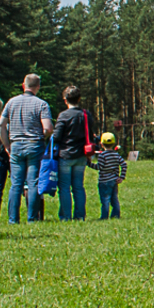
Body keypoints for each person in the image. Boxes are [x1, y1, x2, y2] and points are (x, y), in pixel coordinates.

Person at [0, 74, 54, 223]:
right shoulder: (41, 104)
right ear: (38, 87)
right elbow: (48, 128)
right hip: (34, 144)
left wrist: (7, 146)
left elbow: (0, 125)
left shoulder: (11, 102)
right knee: (33, 183)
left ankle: (13, 219)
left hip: (16, 144)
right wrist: (41, 136)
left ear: (23, 85)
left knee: (16, 184)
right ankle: (32, 218)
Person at [51, 85, 95, 221]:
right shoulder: (86, 115)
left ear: (65, 100)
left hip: (65, 155)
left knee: (64, 188)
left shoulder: (63, 116)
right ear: (79, 98)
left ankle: (65, 216)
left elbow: (57, 137)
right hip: (81, 155)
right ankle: (80, 215)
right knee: (78, 187)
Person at [90, 132, 127, 218]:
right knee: (114, 199)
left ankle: (104, 216)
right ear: (114, 143)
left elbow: (100, 167)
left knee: (105, 200)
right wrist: (122, 177)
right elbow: (124, 164)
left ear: (101, 144)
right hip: (114, 180)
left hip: (104, 181)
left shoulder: (102, 155)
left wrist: (89, 164)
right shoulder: (116, 154)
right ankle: (116, 215)